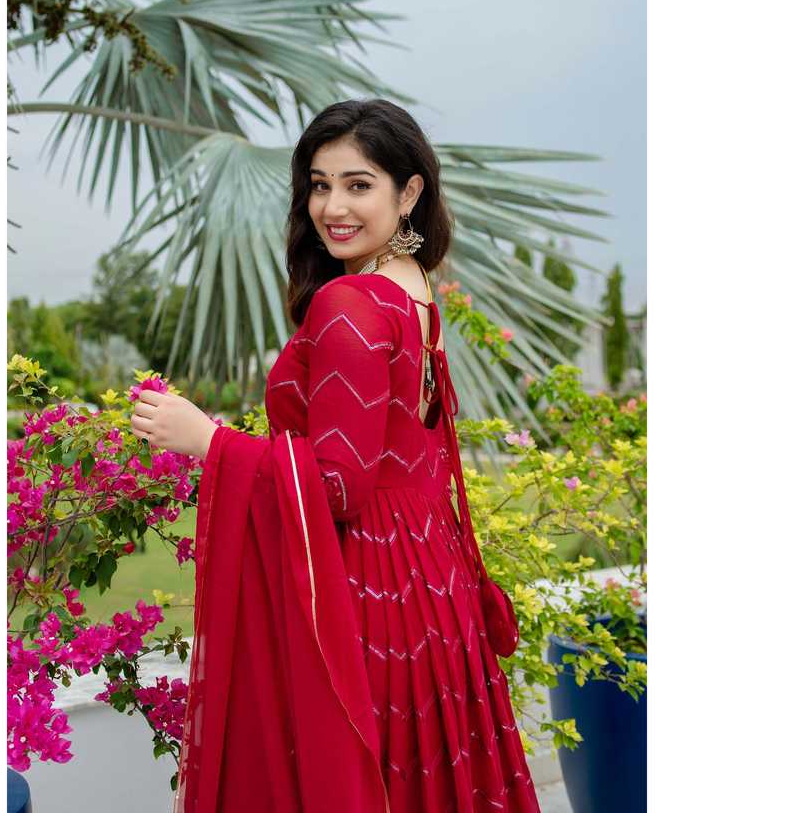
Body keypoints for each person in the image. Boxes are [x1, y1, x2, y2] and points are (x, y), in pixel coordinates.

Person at [130, 99, 540, 813]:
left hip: (366, 592)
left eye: (359, 184)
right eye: (320, 185)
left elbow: (338, 487)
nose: (332, 207)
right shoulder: (415, 291)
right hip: (430, 584)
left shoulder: (350, 302)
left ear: (409, 193)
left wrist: (209, 441)